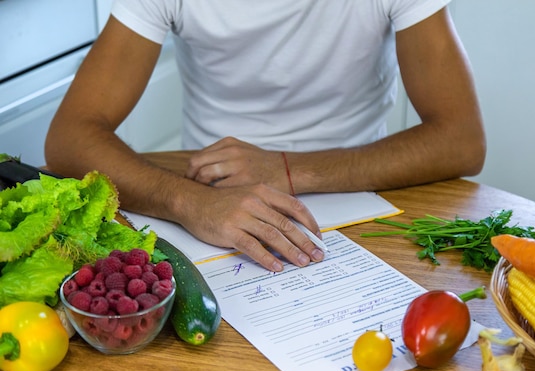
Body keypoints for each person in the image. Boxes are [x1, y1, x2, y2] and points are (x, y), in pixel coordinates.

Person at [45, 0, 485, 272]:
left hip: (358, 194)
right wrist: (189, 201)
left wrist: (289, 169)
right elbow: (70, 136)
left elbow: (461, 140)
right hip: (209, 197)